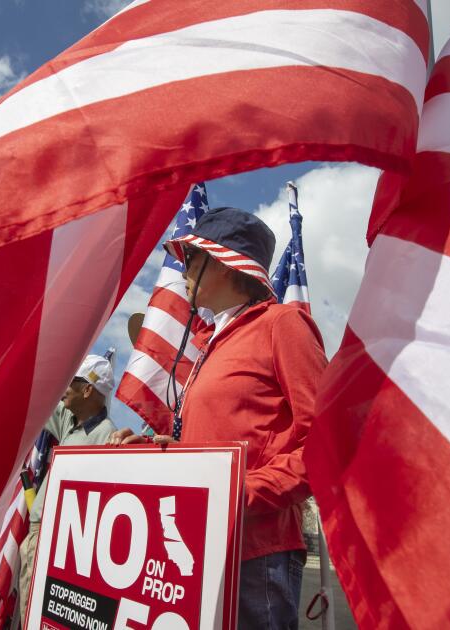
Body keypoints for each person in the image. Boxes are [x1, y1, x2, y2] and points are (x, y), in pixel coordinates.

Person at [109, 206, 327, 630]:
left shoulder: (283, 324)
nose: (183, 267)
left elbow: (325, 445)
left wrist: (237, 492)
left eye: (192, 257)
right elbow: (222, 443)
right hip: (198, 545)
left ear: (225, 264)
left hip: (256, 551)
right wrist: (166, 452)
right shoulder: (211, 344)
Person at [18, 354, 118, 622]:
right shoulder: (70, 423)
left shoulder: (108, 438)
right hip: (42, 535)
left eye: (70, 382)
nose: (63, 388)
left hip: (59, 541)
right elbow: (41, 394)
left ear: (87, 390)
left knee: (34, 619)